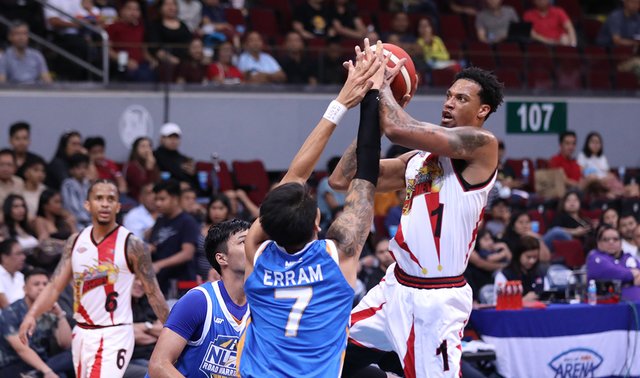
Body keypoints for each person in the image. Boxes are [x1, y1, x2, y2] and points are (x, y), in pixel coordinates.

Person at [330, 65, 504, 377]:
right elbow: (343, 178)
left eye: (461, 99)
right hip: (394, 288)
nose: (449, 103)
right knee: (330, 353)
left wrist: (384, 88)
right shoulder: (418, 160)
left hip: (436, 301)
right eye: (449, 96)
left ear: (483, 111)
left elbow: (400, 128)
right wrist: (373, 118)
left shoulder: (483, 145)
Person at [239, 39, 385, 377]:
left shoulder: (255, 252)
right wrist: (373, 97)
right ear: (317, 228)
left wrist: (343, 101)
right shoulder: (339, 256)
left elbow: (295, 176)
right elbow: (365, 176)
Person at [18, 179, 169, 378]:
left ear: (118, 206)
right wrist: (32, 315)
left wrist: (173, 332)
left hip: (114, 333)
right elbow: (54, 286)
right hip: (82, 332)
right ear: (87, 204)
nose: (105, 203)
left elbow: (153, 292)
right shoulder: (75, 241)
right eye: (99, 198)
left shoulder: (132, 244)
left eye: (111, 199)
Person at [148, 219, 250, 377]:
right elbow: (158, 365)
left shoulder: (259, 307)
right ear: (222, 258)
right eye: (244, 241)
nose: (253, 247)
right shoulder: (198, 301)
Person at [0, 268, 73, 377]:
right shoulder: (10, 313)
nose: (41, 288)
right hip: (14, 364)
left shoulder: (49, 310)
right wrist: (47, 371)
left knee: (73, 354)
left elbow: (66, 343)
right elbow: (22, 350)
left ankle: (35, 374)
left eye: (45, 284)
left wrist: (60, 315)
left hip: (43, 363)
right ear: (25, 289)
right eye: (36, 284)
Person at [148, 179, 200, 295]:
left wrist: (159, 265)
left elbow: (187, 253)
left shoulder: (187, 222)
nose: (158, 203)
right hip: (162, 284)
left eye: (162, 199)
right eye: (156, 199)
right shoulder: (160, 221)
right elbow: (155, 244)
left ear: (175, 199)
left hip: (181, 286)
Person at [586, 224, 640, 301]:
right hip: (607, 309)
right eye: (606, 239)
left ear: (621, 242)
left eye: (615, 239)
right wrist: (632, 274)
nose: (611, 242)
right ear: (598, 243)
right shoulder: (594, 258)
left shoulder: (629, 257)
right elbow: (612, 272)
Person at [107, 0, 156, 82]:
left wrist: (151, 60)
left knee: (154, 73)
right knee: (140, 75)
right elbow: (108, 50)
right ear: (122, 11)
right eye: (129, 9)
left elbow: (143, 49)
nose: (133, 13)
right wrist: (126, 61)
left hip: (141, 64)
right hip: (122, 64)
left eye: (136, 9)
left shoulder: (141, 28)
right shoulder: (112, 27)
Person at [494, 235, 547, 302]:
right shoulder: (504, 275)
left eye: (535, 257)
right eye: (528, 257)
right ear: (518, 255)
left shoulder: (540, 273)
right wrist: (522, 301)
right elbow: (497, 304)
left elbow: (547, 297)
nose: (532, 261)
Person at [466, 228, 511, 302]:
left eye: (490, 239)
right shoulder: (481, 253)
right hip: (482, 288)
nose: (490, 242)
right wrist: (503, 261)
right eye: (486, 239)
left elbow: (510, 260)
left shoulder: (494, 251)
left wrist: (505, 247)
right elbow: (484, 262)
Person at [61, 153, 92, 230]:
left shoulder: (88, 184)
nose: (82, 171)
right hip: (75, 221)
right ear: (71, 170)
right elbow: (71, 207)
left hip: (90, 221)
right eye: (78, 168)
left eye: (85, 167)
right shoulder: (68, 184)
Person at [123, 137, 160, 201]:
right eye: (143, 146)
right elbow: (144, 188)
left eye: (149, 146)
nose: (147, 150)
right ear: (136, 149)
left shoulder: (153, 164)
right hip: (135, 201)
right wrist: (149, 169)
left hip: (154, 201)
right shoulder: (131, 167)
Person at [0, 239, 26, 308]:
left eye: (23, 253)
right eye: (18, 254)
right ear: (4, 258)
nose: (23, 257)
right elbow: (4, 305)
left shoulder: (20, 276)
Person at [0, 149, 25, 217]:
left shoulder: (19, 182)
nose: (5, 169)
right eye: (1, 165)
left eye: (9, 165)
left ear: (15, 167)